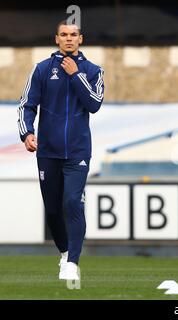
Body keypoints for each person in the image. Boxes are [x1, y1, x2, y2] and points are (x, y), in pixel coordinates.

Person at [17, 20, 104, 280]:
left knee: (72, 202)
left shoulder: (93, 70)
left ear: (81, 39)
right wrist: (27, 133)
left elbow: (94, 104)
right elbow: (26, 105)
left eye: (73, 35)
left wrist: (75, 74)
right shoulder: (42, 69)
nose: (68, 39)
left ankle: (73, 263)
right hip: (48, 152)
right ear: (56, 39)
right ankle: (65, 252)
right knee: (53, 209)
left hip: (77, 152)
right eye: (64, 35)